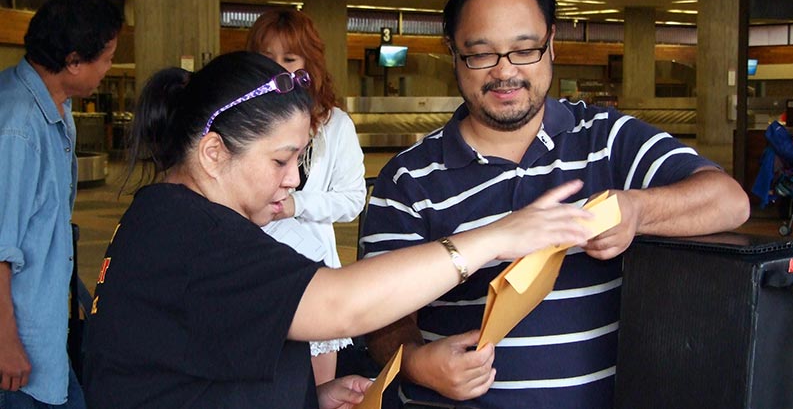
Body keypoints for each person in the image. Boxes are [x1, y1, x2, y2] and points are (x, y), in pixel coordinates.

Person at [82, 50, 599, 409]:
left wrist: (307, 397)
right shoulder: (192, 234)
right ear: (215, 152)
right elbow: (341, 305)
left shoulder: (170, 218)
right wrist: (497, 236)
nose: (294, 179)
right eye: (282, 159)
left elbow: (199, 365)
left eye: (301, 158)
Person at [360, 0, 751, 409]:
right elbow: (376, 312)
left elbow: (729, 201)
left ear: (551, 46)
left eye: (524, 50)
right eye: (481, 54)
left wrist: (638, 210)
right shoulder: (408, 178)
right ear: (453, 54)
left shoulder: (608, 139)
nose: (505, 72)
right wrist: (414, 362)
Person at [0, 0, 122, 408]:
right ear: (72, 61)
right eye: (105, 58)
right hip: (17, 352)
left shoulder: (57, 108)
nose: (109, 68)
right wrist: (6, 343)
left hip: (44, 336)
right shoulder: (17, 128)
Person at [246, 8, 366, 385]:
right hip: (250, 270)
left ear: (308, 63)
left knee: (318, 390)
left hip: (312, 274)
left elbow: (352, 198)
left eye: (289, 58)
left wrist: (298, 205)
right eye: (267, 59)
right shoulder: (242, 120)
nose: (277, 69)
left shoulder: (334, 125)